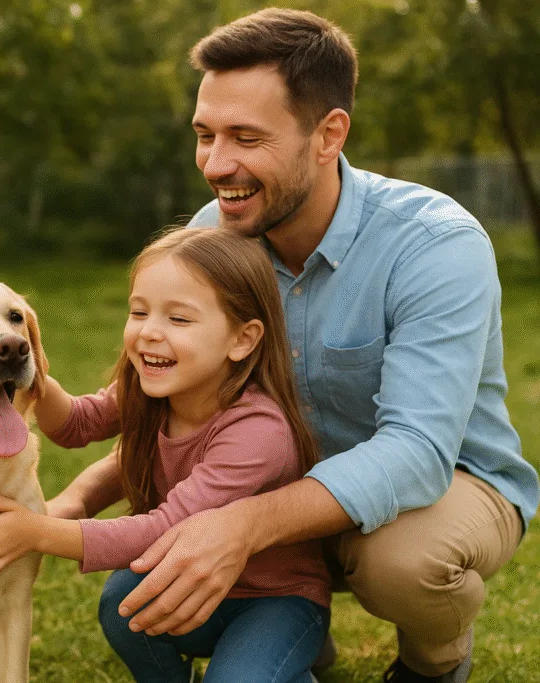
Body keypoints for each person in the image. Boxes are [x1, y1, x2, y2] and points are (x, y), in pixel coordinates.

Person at [42, 8, 539, 683]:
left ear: (328, 135)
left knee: (401, 561)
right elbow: (174, 404)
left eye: (246, 137)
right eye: (205, 135)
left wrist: (243, 524)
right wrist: (76, 501)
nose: (217, 164)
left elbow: (417, 452)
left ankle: (433, 663)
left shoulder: (434, 245)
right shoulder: (214, 235)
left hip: (445, 485)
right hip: (267, 484)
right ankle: (290, 634)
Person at [0, 228, 332, 682]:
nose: (149, 332)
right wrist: (31, 373)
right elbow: (76, 424)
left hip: (276, 601)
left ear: (242, 339)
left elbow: (163, 529)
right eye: (139, 312)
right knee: (123, 602)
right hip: (189, 584)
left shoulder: (258, 431)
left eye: (179, 319)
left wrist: (37, 532)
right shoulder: (148, 389)